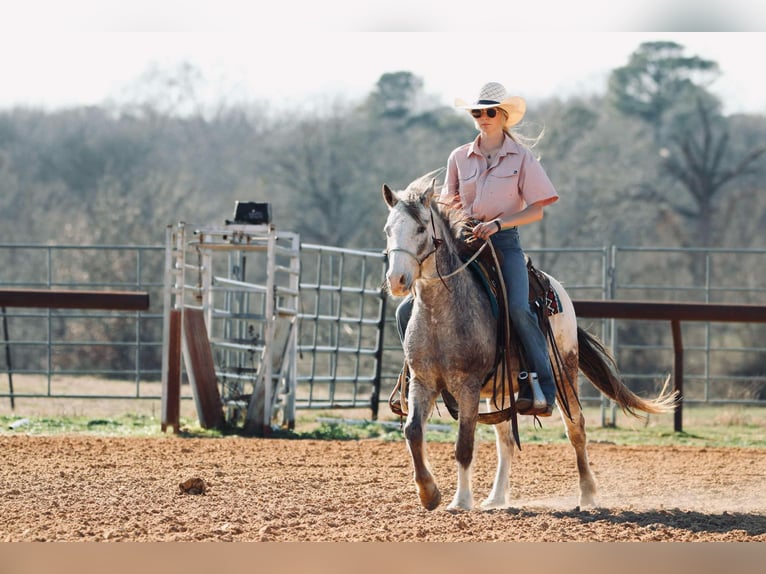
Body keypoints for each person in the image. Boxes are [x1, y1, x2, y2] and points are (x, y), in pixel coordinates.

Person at [396, 81, 559, 416]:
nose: (482, 117)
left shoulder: (522, 158)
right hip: (462, 243)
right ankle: (413, 379)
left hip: (503, 243)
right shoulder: (458, 156)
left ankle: (540, 385)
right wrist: (460, 225)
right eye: (476, 112)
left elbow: (537, 209)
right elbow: (446, 204)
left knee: (517, 308)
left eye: (489, 112)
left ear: (502, 116)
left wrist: (498, 224)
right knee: (404, 310)